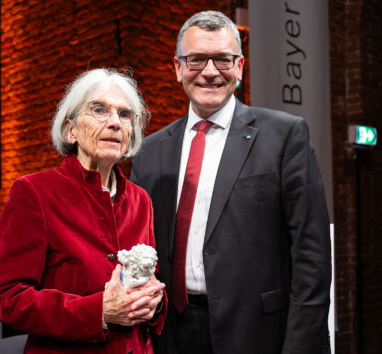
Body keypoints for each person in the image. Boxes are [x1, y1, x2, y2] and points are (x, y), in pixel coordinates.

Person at [130, 11, 331, 354]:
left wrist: (302, 345)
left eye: (223, 59)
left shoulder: (285, 136)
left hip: (258, 332)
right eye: (196, 60)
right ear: (177, 68)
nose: (210, 72)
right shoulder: (149, 151)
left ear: (239, 67)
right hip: (171, 332)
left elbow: (311, 255)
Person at [0, 68, 167, 354]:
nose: (115, 123)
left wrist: (155, 304)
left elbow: (148, 281)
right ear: (71, 130)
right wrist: (99, 312)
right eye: (99, 110)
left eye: (125, 115)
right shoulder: (35, 192)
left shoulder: (140, 200)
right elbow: (4, 298)